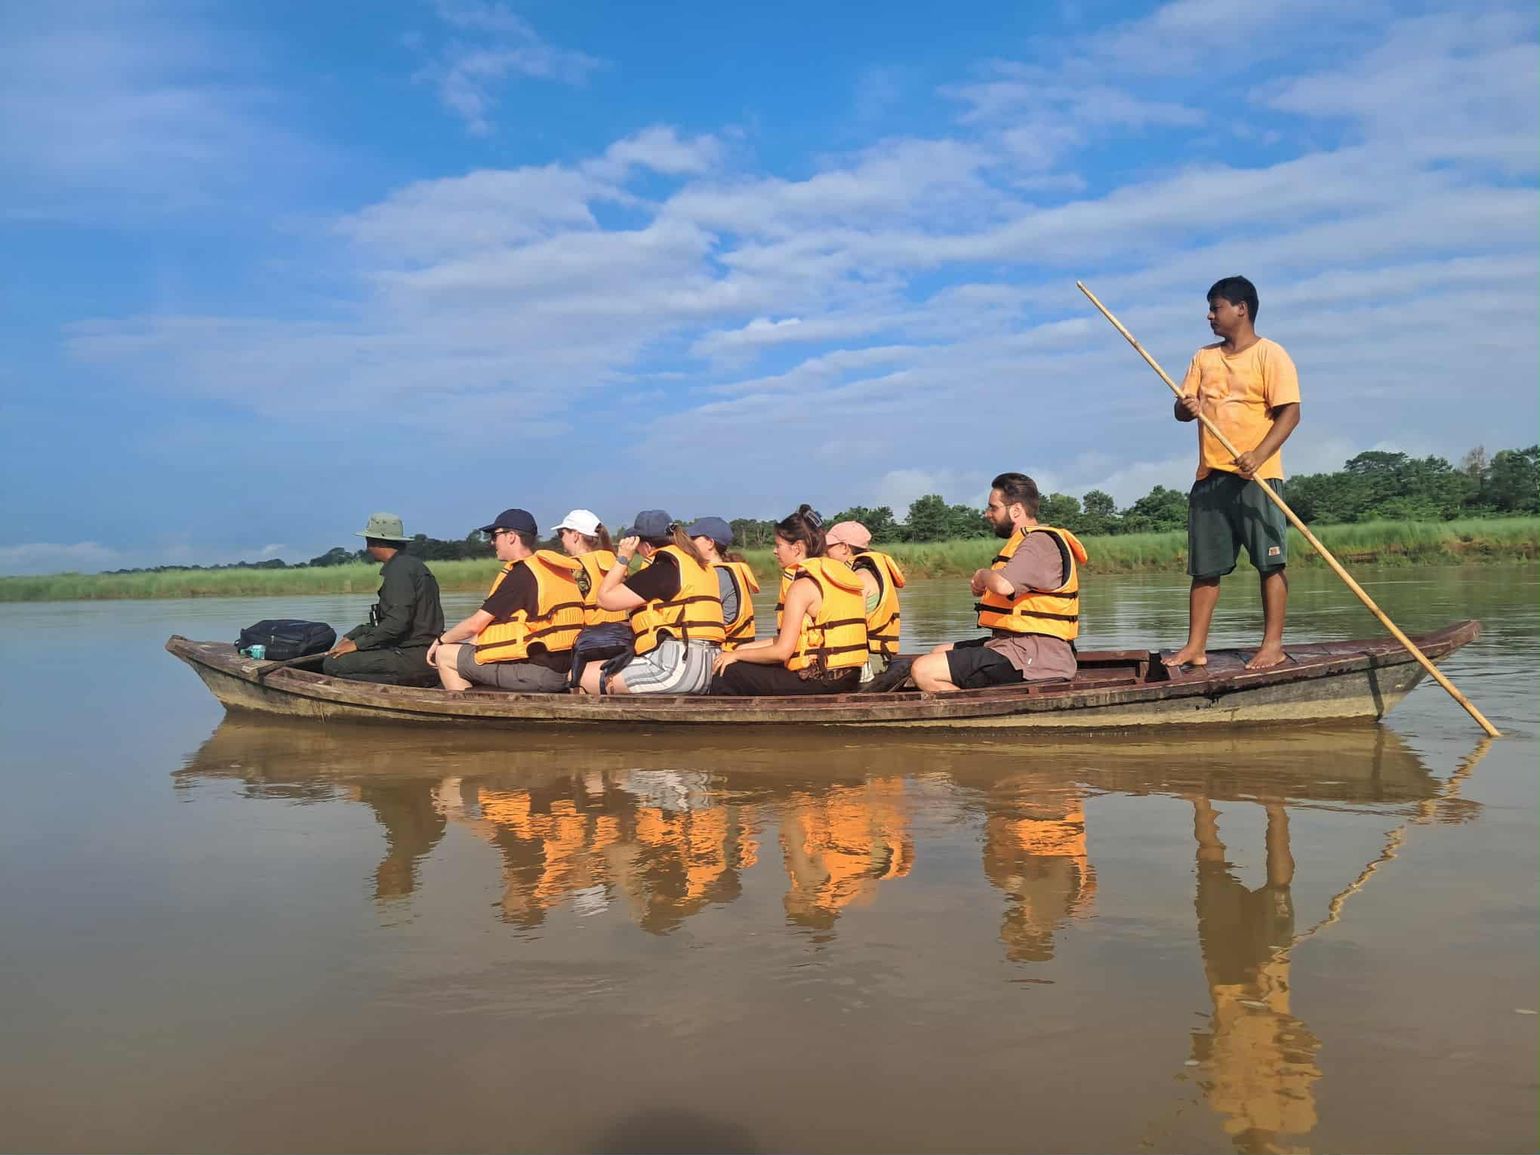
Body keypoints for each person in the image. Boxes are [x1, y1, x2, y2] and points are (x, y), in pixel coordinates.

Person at [1168, 275, 1301, 671]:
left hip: (1256, 478)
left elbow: (1290, 413)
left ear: (1241, 308)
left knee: (1270, 562)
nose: (1210, 315)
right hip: (1211, 477)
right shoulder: (1203, 358)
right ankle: (1195, 647)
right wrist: (1186, 407)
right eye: (1210, 308)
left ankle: (1272, 645)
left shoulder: (1271, 355)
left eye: (1216, 307)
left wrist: (1258, 455)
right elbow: (1180, 409)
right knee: (1205, 568)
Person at [909, 473, 1086, 693]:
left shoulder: (1039, 542)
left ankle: (974, 721)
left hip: (1037, 655)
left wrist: (984, 575)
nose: (987, 514)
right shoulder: (1026, 542)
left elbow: (1004, 586)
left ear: (1016, 510)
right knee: (938, 651)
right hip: (1013, 644)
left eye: (993, 508)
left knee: (923, 670)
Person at [711, 505, 868, 696]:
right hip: (849, 676)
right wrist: (741, 649)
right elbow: (793, 640)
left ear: (797, 547)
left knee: (728, 672)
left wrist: (735, 655)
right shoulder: (837, 575)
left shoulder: (801, 587)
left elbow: (782, 652)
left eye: (778, 545)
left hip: (821, 679)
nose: (774, 551)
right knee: (740, 656)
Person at [427, 508, 584, 693]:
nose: (492, 542)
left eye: (495, 536)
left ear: (511, 536)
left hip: (537, 673)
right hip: (562, 669)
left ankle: (470, 715)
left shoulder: (521, 575)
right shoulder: (552, 570)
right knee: (470, 650)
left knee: (445, 655)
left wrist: (440, 640)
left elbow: (474, 625)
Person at [576, 510, 724, 696]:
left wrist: (623, 558)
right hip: (709, 667)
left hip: (677, 669)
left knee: (579, 676)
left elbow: (604, 599)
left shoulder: (662, 569)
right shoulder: (696, 564)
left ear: (645, 545)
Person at [323, 512, 444, 685]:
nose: (366, 548)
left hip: (414, 655)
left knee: (332, 664)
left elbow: (396, 623)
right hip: (424, 652)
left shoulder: (399, 570)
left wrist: (357, 644)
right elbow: (386, 623)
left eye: (368, 542)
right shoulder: (412, 565)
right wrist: (353, 635)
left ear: (376, 542)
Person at [554, 509, 633, 689]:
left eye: (561, 533)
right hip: (621, 639)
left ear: (575, 535)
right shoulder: (616, 562)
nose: (561, 538)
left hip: (590, 643)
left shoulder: (574, 568)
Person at [823, 520, 905, 683]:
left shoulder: (858, 580)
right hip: (876, 656)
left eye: (829, 547)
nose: (825, 552)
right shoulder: (868, 572)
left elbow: (847, 631)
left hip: (866, 661)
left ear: (845, 547)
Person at [686, 516, 760, 650]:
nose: (688, 543)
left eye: (693, 539)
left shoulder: (718, 575)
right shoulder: (721, 571)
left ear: (710, 543)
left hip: (722, 651)